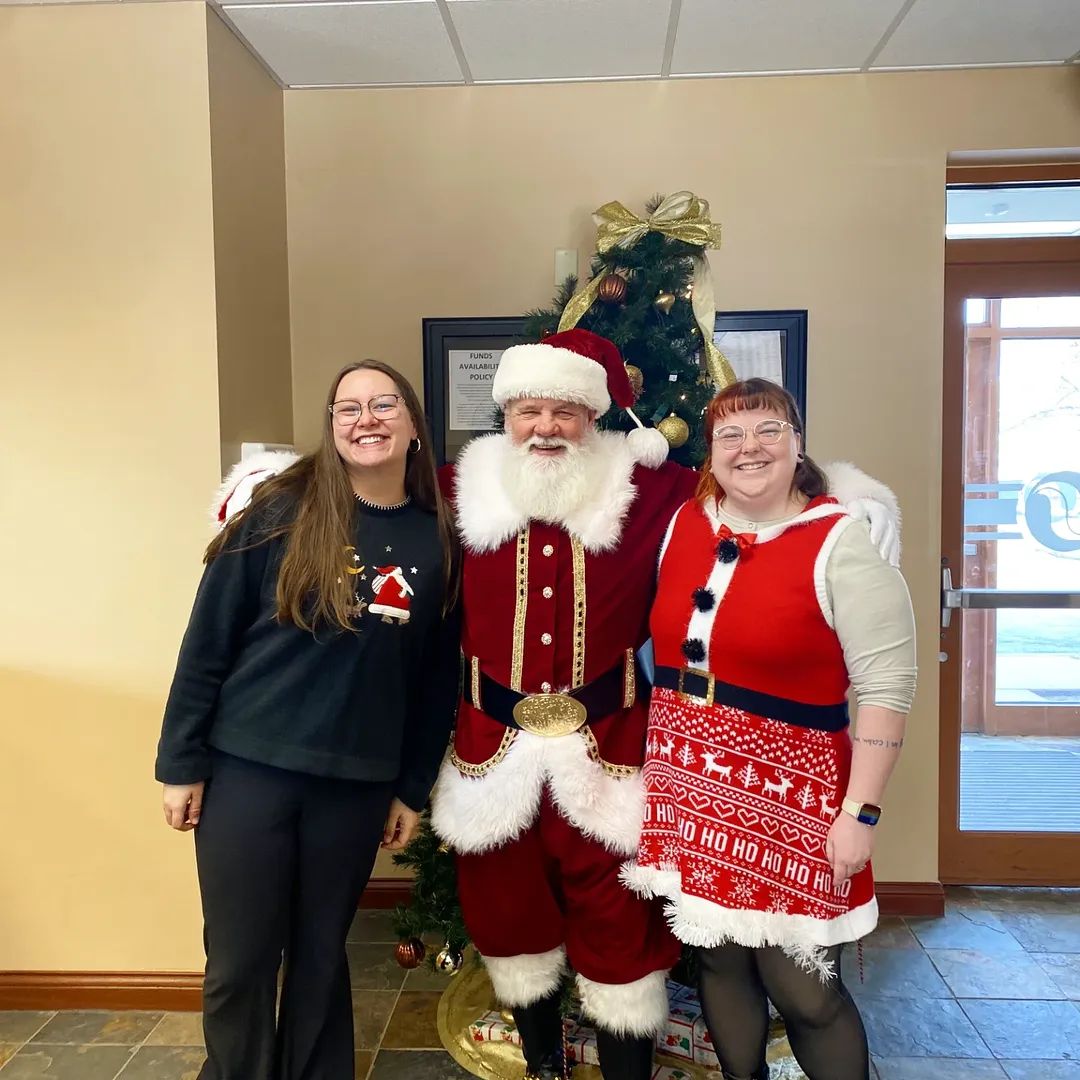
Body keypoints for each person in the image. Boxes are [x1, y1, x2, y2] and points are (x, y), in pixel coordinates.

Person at [427, 333, 903, 1080]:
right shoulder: (457, 485)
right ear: (506, 415)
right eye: (528, 410)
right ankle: (543, 1065)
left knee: (621, 933)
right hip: (490, 748)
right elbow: (376, 508)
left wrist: (860, 503)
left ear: (596, 417)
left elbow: (762, 484)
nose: (545, 426)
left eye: (565, 410)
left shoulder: (652, 490)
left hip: (613, 750)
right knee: (508, 921)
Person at [155, 360, 461, 1080]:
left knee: (322, 953)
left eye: (384, 404)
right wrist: (181, 764)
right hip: (246, 774)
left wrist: (410, 789)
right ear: (331, 427)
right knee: (240, 959)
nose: (367, 419)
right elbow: (207, 643)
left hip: (355, 786)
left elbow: (434, 682)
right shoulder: (277, 513)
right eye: (348, 408)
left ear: (413, 424)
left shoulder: (438, 540)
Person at [622, 378, 917, 1080]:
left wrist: (861, 813)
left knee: (803, 988)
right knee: (720, 963)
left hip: (800, 801)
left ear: (798, 444)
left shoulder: (842, 539)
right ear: (710, 452)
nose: (749, 447)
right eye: (730, 434)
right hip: (692, 784)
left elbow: (885, 689)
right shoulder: (683, 523)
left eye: (768, 430)